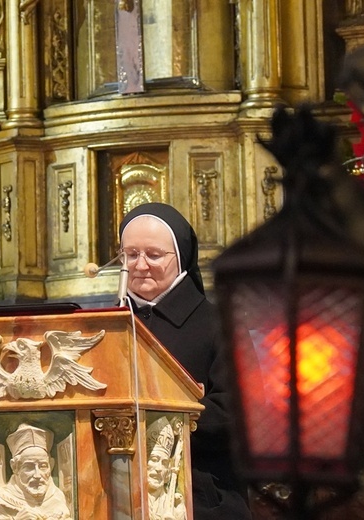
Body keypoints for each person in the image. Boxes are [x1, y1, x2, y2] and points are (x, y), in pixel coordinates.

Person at [119, 202, 252, 520]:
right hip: (115, 493)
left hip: (202, 495)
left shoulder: (222, 323)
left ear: (180, 257)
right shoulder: (107, 326)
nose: (140, 265)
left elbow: (242, 413)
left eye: (153, 255)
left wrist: (172, 414)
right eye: (130, 254)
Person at [0, 423, 72, 520]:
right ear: (15, 467)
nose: (37, 475)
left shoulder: (58, 497)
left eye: (43, 466)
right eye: (29, 467)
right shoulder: (1, 500)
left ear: (51, 465)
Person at [146, 416, 187, 520]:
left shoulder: (175, 506)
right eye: (154, 459)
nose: (159, 468)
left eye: (164, 463)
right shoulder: (132, 499)